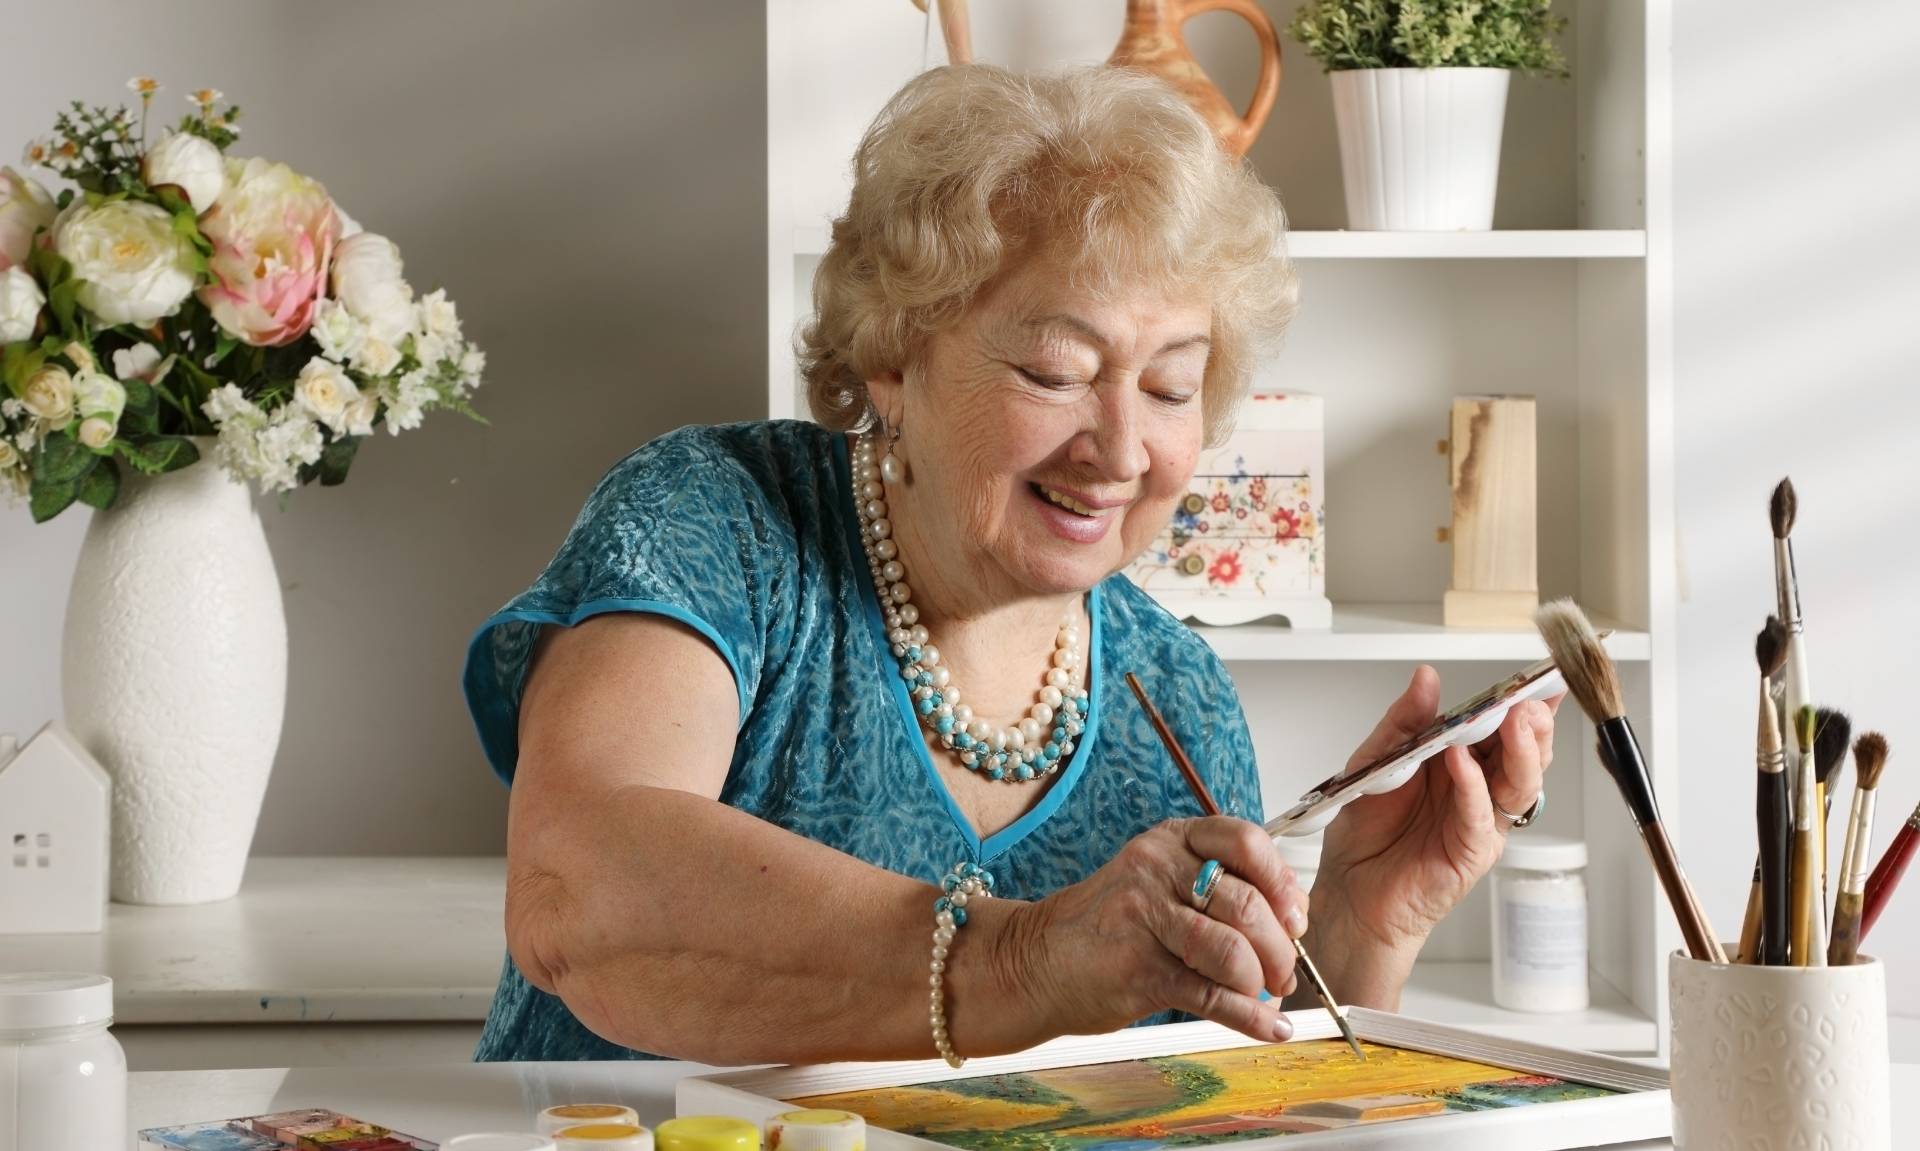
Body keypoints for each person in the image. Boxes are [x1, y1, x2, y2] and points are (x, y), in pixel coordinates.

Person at [462, 63, 1557, 1065]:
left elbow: (1222, 1119)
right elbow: (581, 888)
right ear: (894, 357)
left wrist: (1361, 928)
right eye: (1055, 369)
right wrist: (1023, 958)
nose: (1121, 450)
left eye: (1172, 386)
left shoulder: (1175, 695)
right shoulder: (721, 523)